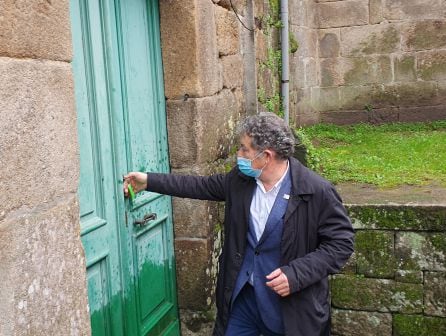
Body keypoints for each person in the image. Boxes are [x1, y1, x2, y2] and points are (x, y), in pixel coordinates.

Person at [123, 112, 354, 336]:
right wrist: (149, 181)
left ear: (266, 156)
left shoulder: (315, 190)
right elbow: (200, 186)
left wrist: (297, 274)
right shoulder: (241, 180)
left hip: (289, 306)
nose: (239, 153)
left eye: (245, 149)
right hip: (244, 299)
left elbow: (341, 243)